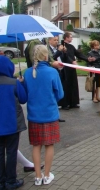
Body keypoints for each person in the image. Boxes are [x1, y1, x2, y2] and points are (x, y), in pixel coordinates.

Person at [0, 55, 27, 189]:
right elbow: (23, 98)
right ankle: (10, 181)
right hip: (12, 124)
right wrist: (21, 83)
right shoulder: (13, 83)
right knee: (11, 152)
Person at [23, 45, 64, 185]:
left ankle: (37, 176)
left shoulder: (27, 73)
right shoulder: (52, 72)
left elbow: (24, 96)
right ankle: (47, 175)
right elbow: (60, 94)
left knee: (36, 145)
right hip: (50, 114)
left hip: (34, 115)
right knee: (49, 145)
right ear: (46, 56)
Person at [62, 32, 91, 108]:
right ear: (66, 38)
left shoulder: (71, 46)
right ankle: (66, 103)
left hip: (72, 68)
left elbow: (78, 54)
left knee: (73, 84)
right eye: (71, 37)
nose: (72, 38)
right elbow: (65, 56)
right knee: (66, 85)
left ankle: (73, 102)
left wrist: (87, 59)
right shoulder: (62, 46)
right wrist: (71, 61)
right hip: (65, 68)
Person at [48, 36, 67, 120]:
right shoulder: (48, 49)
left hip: (61, 71)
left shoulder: (58, 48)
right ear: (49, 41)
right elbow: (52, 58)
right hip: (53, 72)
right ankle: (54, 115)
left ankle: (59, 109)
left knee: (60, 90)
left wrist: (64, 52)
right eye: (54, 40)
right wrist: (59, 51)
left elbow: (63, 59)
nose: (56, 42)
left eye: (57, 40)